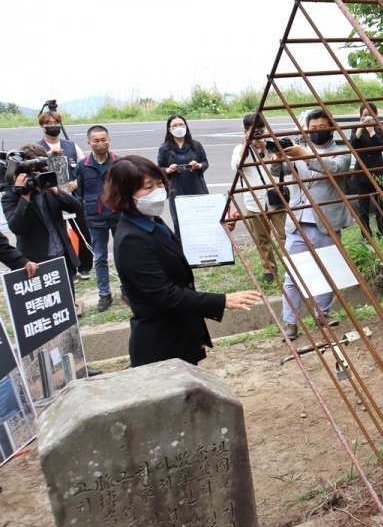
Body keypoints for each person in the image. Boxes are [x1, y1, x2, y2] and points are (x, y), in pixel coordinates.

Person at [104, 155, 261, 368]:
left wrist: (218, 232)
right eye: (147, 187)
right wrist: (221, 301)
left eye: (159, 183)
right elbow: (163, 294)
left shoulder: (152, 222)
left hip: (179, 334)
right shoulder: (131, 239)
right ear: (125, 194)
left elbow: (173, 255)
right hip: (161, 346)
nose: (158, 191)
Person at [273, 108, 352, 339]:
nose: (317, 131)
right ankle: (290, 322)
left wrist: (305, 154)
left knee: (328, 272)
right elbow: (278, 170)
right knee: (293, 277)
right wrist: (277, 157)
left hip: (326, 223)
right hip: (297, 225)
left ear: (331, 129)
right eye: (313, 128)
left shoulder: (341, 153)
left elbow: (335, 169)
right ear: (306, 130)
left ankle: (322, 314)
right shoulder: (297, 151)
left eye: (322, 128)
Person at [1, 143, 84, 289]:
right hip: (36, 264)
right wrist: (24, 196)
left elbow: (76, 206)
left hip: (62, 258)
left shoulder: (48, 188)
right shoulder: (11, 196)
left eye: (41, 170)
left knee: (67, 300)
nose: (38, 174)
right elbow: (17, 228)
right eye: (33, 171)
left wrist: (53, 190)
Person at [36, 102, 94, 279]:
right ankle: (69, 268)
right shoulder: (37, 148)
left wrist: (76, 181)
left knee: (82, 229)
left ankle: (85, 266)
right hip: (50, 197)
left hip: (71, 195)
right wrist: (49, 154)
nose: (53, 127)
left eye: (56, 124)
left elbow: (83, 166)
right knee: (60, 232)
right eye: (48, 124)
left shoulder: (71, 146)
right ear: (42, 126)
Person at [230, 114, 287, 284]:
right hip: (254, 202)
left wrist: (265, 148)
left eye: (261, 131)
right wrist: (246, 144)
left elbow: (281, 165)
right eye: (254, 132)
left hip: (275, 199)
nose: (258, 135)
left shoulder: (271, 146)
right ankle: (269, 270)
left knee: (285, 235)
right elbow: (236, 166)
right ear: (245, 131)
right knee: (262, 239)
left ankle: (293, 267)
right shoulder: (239, 149)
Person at [76, 126, 121, 312]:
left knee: (122, 254)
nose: (100, 143)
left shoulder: (119, 162)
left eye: (104, 139)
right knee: (100, 257)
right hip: (95, 218)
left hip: (118, 216)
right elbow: (78, 192)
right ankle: (104, 294)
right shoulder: (83, 165)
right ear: (89, 143)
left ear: (109, 140)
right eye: (96, 140)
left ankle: (127, 289)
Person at [156, 115, 209, 236]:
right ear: (169, 129)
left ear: (186, 127)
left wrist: (198, 165)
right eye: (175, 125)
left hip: (196, 187)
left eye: (181, 125)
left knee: (201, 220)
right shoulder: (164, 149)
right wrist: (169, 170)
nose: (178, 127)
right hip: (177, 190)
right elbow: (159, 169)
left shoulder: (196, 145)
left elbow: (205, 162)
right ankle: (183, 252)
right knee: (181, 223)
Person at [349, 102, 383, 239]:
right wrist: (360, 128)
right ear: (360, 116)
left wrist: (372, 132)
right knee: (363, 206)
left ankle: (382, 233)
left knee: (381, 205)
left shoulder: (380, 129)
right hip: (362, 173)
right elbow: (353, 145)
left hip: (378, 172)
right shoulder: (356, 129)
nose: (368, 118)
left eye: (371, 115)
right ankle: (366, 235)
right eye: (365, 115)